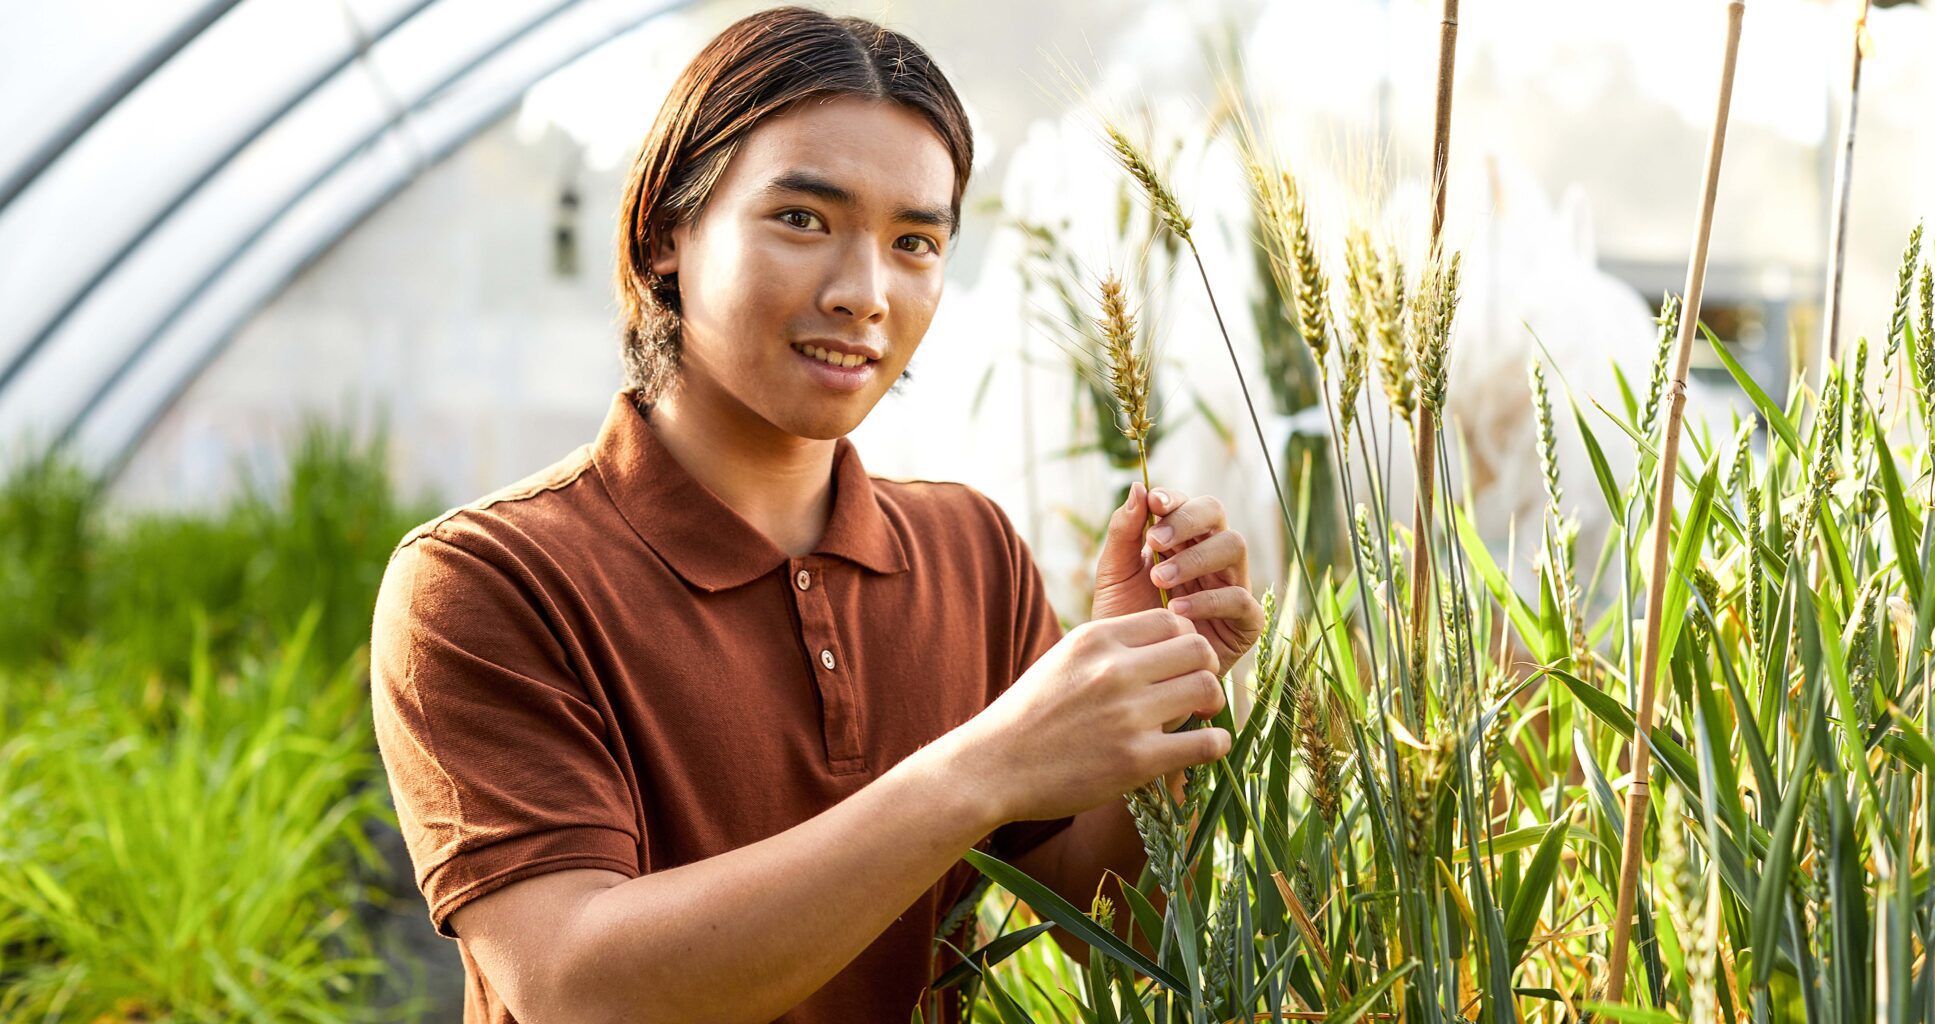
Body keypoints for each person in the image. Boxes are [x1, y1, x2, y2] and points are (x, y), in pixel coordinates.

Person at [367, 7, 1264, 1022]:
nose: (863, 292)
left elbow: (1109, 925)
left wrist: (1159, 692)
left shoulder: (971, 554)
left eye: (914, 240)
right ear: (666, 230)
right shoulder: (485, 581)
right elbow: (576, 987)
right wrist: (979, 768)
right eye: (802, 219)